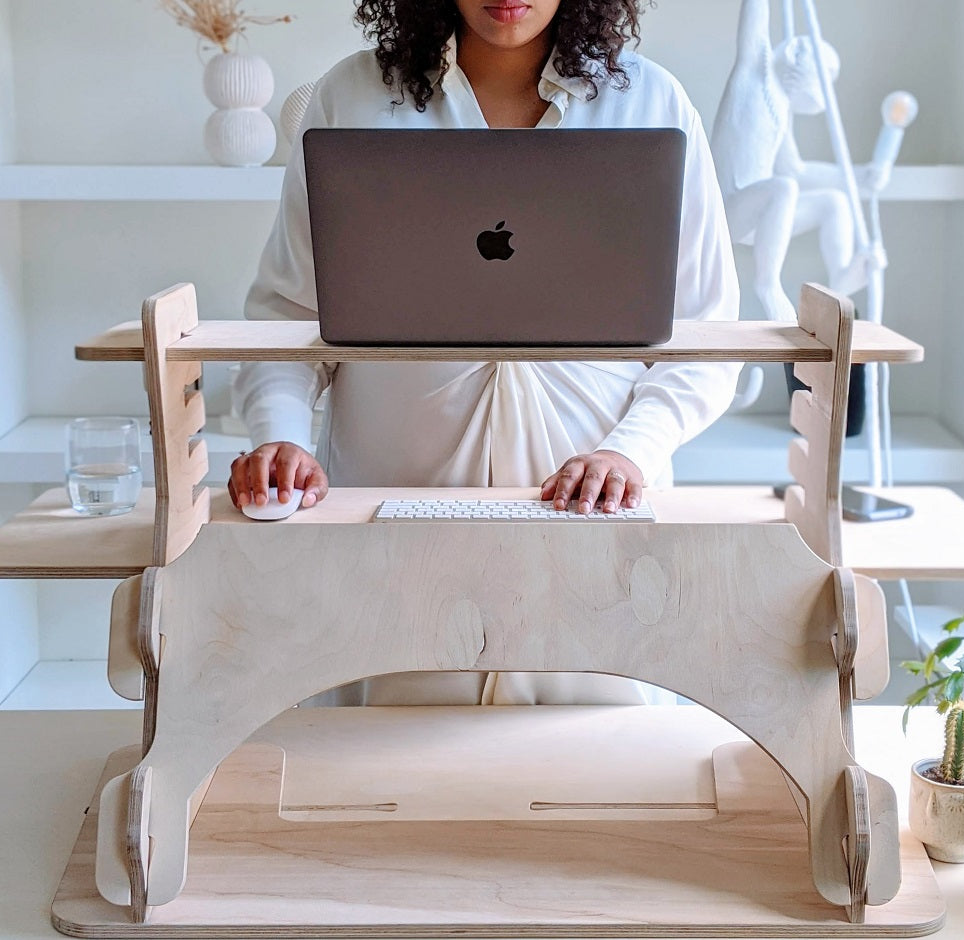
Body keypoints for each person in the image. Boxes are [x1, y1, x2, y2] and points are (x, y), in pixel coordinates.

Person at [228, 0, 741, 706]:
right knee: (375, 776)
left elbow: (708, 337)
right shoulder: (351, 97)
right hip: (389, 535)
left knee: (608, 778)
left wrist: (632, 454)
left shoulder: (653, 103)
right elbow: (285, 317)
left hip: (594, 536)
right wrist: (280, 440)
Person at [711, 0, 874, 323]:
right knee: (784, 188)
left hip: (760, 215)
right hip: (727, 208)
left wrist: (857, 177)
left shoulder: (781, 110)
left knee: (833, 202)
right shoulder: (754, 71)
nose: (798, 47)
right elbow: (756, 18)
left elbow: (798, 169)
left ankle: (840, 278)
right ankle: (768, 285)